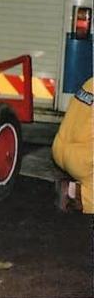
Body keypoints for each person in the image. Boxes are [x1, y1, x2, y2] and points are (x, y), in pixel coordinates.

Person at [52, 77, 93, 214]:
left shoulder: (90, 82)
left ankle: (75, 187)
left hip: (59, 147)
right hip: (82, 160)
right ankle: (73, 193)